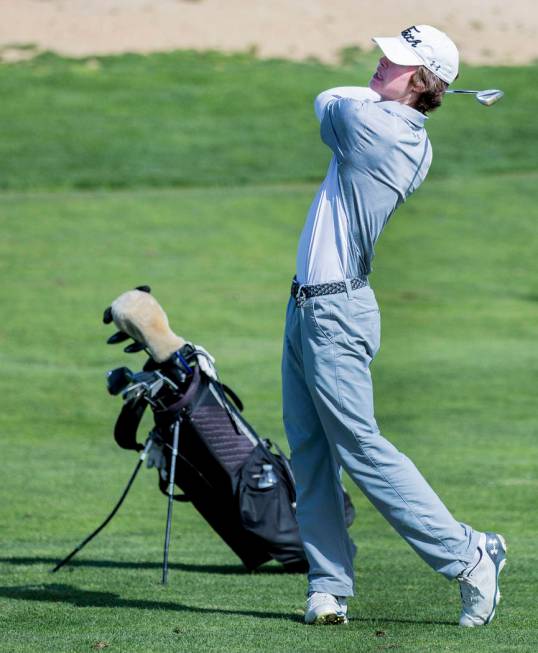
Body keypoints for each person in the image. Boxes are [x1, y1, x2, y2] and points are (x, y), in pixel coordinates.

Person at [281, 25, 506, 628]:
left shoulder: (373, 129)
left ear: (423, 81)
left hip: (335, 314)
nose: (381, 62)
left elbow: (327, 96)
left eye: (397, 61)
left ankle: (468, 554)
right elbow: (352, 93)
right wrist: (400, 89)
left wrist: (384, 95)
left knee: (360, 446)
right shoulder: (396, 125)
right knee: (310, 450)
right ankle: (328, 586)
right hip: (308, 306)